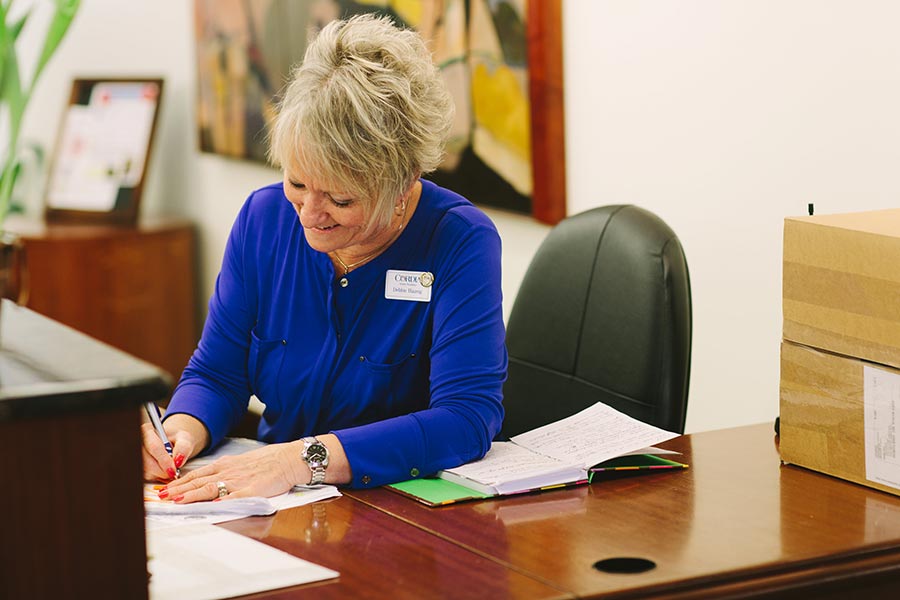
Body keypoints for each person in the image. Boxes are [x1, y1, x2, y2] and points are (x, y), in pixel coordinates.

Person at [142, 13, 507, 503]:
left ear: (403, 184)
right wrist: (179, 434)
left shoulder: (459, 240)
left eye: (340, 198)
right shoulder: (264, 219)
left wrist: (299, 460)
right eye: (297, 182)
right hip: (272, 498)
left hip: (395, 507)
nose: (310, 215)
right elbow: (217, 374)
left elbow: (465, 419)